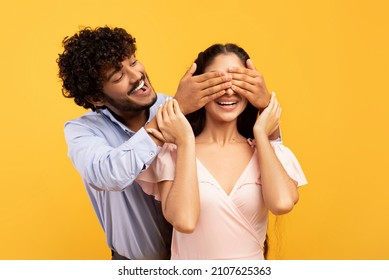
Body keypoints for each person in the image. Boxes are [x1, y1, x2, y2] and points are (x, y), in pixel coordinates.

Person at [56, 27, 258, 260]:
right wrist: (172, 116)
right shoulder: (84, 131)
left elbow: (238, 144)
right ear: (97, 98)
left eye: (133, 62)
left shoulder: (172, 105)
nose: (136, 76)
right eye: (118, 76)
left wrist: (263, 108)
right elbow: (108, 175)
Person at [136, 43, 307, 260]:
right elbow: (185, 221)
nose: (228, 90)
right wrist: (186, 140)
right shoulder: (172, 153)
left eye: (238, 81)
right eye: (216, 82)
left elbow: (282, 203)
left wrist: (262, 133)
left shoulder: (268, 151)